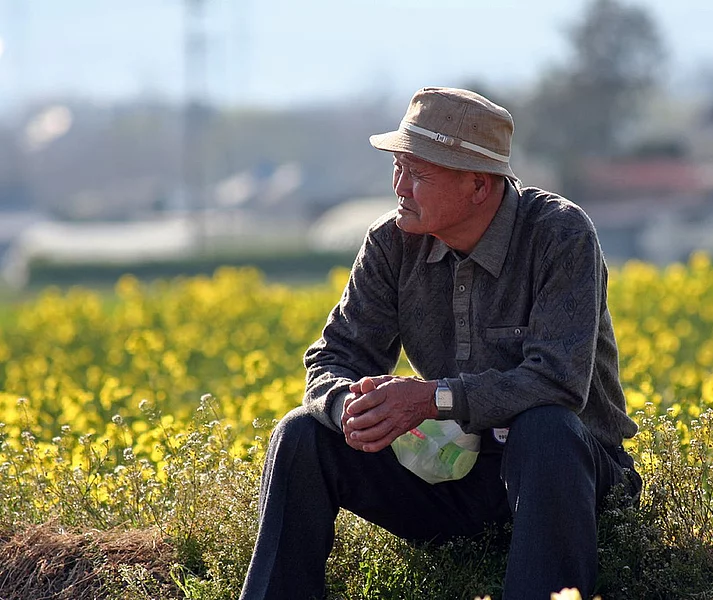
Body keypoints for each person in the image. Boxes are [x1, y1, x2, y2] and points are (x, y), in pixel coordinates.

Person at [239, 87, 641, 600]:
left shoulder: (559, 235)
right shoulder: (391, 241)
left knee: (546, 427)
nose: (399, 186)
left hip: (566, 484)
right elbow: (334, 357)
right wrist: (350, 408)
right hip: (454, 476)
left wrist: (432, 399)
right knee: (302, 433)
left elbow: (558, 382)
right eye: (398, 167)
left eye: (418, 173)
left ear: (478, 185)